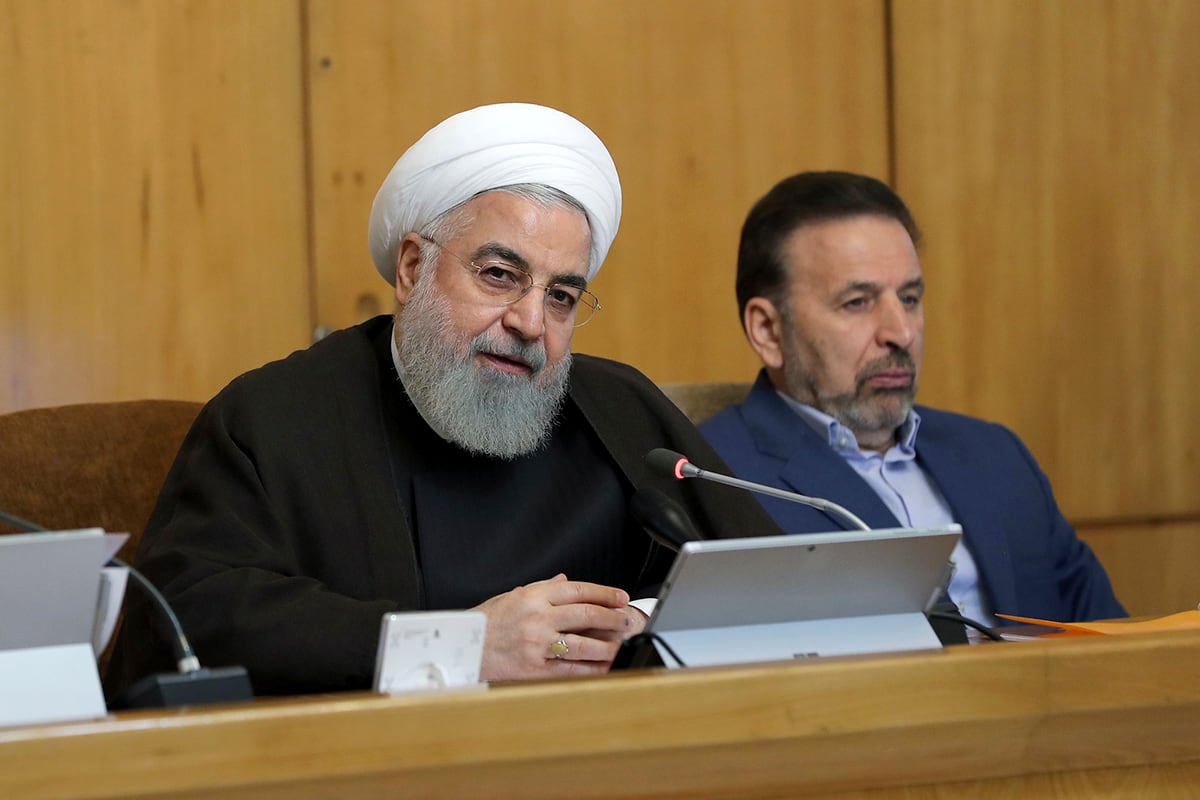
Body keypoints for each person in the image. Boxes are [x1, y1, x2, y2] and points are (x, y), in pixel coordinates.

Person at [106, 103, 779, 698]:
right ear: (411, 268)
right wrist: (464, 646)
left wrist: (641, 623)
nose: (530, 323)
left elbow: (773, 590)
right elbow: (192, 618)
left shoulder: (620, 408)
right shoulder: (276, 417)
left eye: (562, 296)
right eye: (498, 275)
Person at [699, 171, 1124, 627]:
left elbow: (1111, 640)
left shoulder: (997, 455)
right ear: (768, 330)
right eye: (857, 302)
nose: (901, 332)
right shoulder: (714, 477)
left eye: (910, 297)